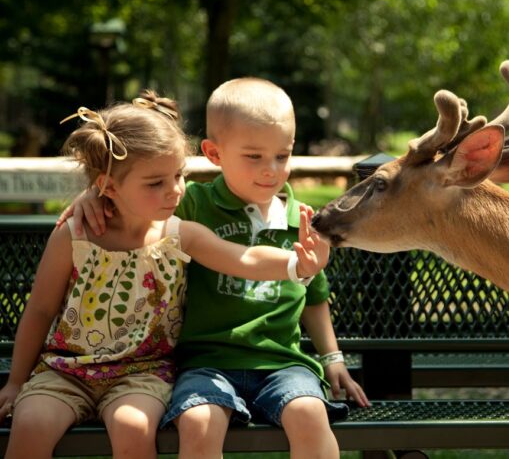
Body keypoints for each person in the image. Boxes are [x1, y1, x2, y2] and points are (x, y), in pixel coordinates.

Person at [0, 91, 329, 459]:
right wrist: (16, 381)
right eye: (156, 183)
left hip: (143, 373)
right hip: (65, 371)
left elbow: (243, 259)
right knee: (29, 425)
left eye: (178, 175)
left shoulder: (179, 232)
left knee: (134, 427)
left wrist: (295, 265)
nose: (174, 190)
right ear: (108, 187)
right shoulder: (74, 235)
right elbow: (40, 309)